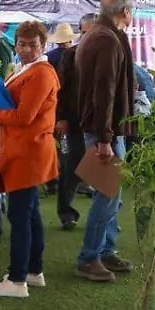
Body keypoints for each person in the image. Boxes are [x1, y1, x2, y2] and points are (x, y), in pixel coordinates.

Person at [0, 21, 59, 298]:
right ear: (16, 44)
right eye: (22, 44)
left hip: (28, 151)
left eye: (32, 45)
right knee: (30, 212)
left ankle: (17, 280)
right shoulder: (27, 69)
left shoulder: (40, 73)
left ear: (43, 46)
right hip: (24, 149)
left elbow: (24, 116)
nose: (26, 49)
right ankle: (32, 272)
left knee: (20, 214)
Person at [74, 0, 136, 283]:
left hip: (104, 128)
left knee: (113, 192)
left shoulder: (100, 35)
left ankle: (106, 249)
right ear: (125, 12)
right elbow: (105, 91)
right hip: (104, 130)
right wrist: (104, 138)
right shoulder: (107, 39)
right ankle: (90, 257)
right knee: (108, 194)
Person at [55, 13, 96, 230]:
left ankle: (104, 218)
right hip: (74, 121)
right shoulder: (70, 55)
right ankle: (66, 213)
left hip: (100, 124)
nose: (89, 37)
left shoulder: (109, 53)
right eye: (85, 32)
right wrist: (61, 117)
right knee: (71, 166)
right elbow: (62, 89)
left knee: (103, 169)